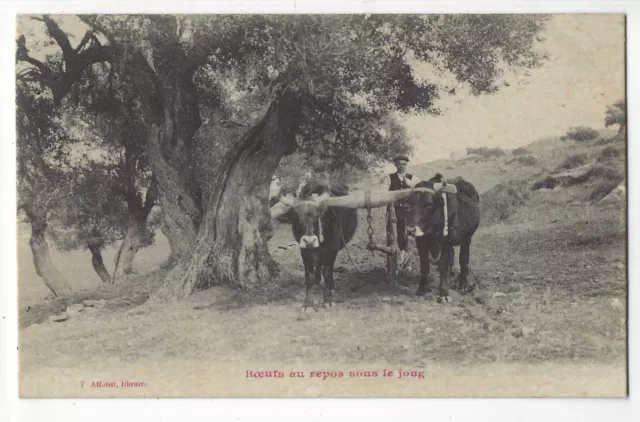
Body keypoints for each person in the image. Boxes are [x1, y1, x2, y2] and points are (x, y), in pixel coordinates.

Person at [384, 155, 420, 267]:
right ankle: (392, 263)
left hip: (408, 213)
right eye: (399, 164)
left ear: (407, 165)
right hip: (393, 212)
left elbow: (418, 191)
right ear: (395, 165)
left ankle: (407, 263)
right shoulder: (389, 178)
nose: (402, 166)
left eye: (404, 164)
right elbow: (384, 191)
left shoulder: (413, 178)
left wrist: (409, 184)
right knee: (392, 236)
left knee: (407, 237)